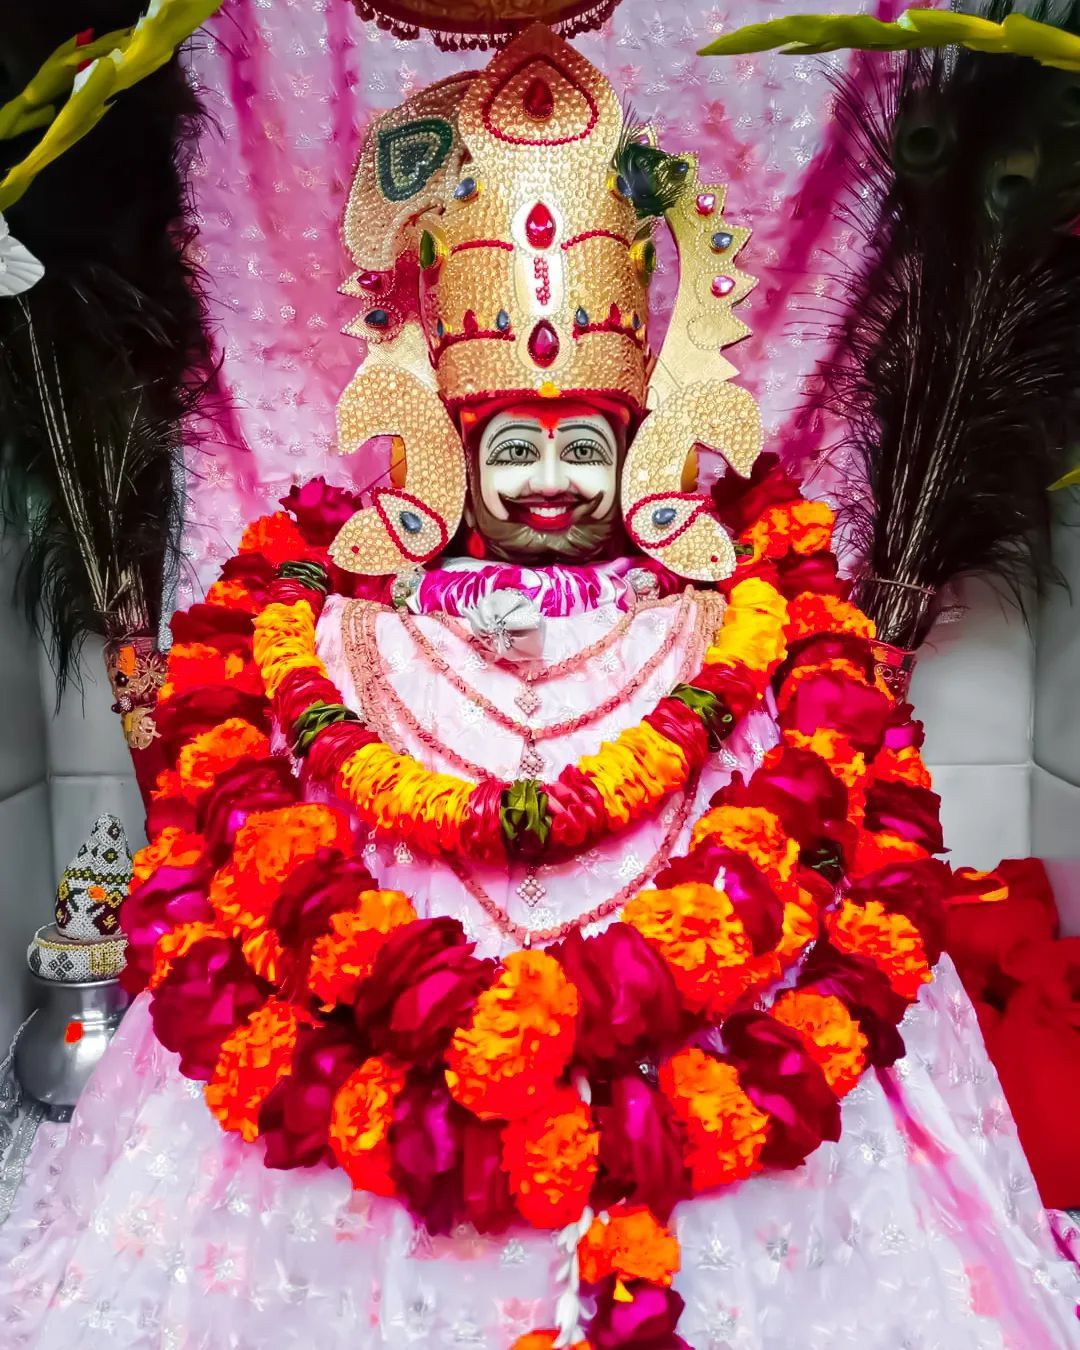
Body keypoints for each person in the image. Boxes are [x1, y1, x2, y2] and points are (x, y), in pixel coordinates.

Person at [2, 25, 1078, 1349]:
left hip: (708, 1080)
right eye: (514, 446)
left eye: (583, 444)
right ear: (453, 444)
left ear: (638, 442)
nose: (552, 482)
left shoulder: (722, 620)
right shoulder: (351, 631)